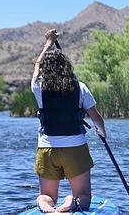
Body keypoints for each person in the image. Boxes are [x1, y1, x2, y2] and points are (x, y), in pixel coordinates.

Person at [31, 29, 107, 213]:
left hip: (47, 149)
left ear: (44, 69)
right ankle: (71, 201)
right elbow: (96, 117)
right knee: (84, 197)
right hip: (75, 148)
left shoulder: (38, 86)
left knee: (47, 196)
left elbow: (36, 65)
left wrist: (48, 43)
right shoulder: (80, 87)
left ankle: (46, 207)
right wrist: (101, 131)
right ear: (67, 67)